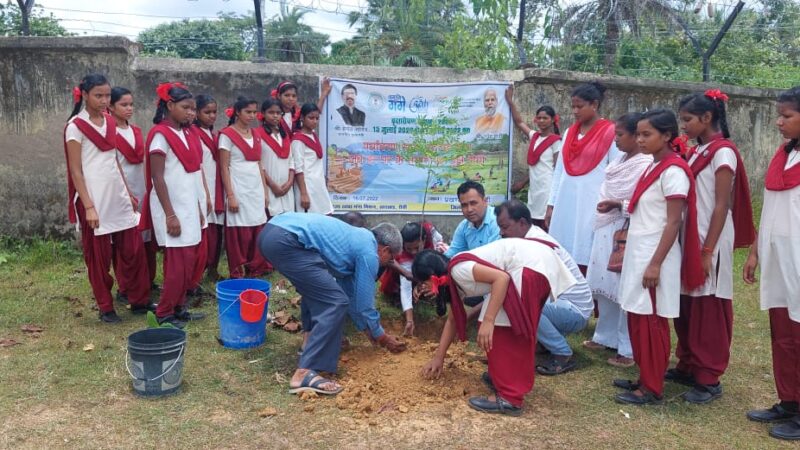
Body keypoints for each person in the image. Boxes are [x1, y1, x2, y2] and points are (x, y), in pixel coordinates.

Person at [414, 239, 576, 416]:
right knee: (497, 324)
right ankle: (502, 378)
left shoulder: (459, 270)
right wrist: (439, 358)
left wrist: (489, 321)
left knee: (500, 329)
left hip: (528, 268)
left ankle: (510, 397)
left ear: (432, 277)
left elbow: (502, 278)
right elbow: (453, 320)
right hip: (537, 264)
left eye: (423, 284)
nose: (423, 289)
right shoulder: (455, 278)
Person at [611, 109, 704, 406]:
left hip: (655, 255)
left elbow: (673, 223)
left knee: (651, 322)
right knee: (638, 317)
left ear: (667, 136)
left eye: (646, 134)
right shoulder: (653, 166)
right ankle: (644, 377)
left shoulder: (674, 171)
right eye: (637, 134)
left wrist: (655, 263)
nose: (639, 140)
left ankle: (652, 388)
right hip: (640, 251)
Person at [258, 214, 407, 396]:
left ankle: (308, 345)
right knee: (334, 303)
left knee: (319, 292)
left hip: (270, 231)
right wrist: (381, 336)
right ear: (385, 250)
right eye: (391, 259)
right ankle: (304, 373)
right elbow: (364, 304)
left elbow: (352, 297)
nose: (388, 264)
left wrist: (370, 331)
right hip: (287, 240)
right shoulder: (369, 252)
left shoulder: (356, 240)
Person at [672, 90, 755, 404]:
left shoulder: (723, 153)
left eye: (688, 119)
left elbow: (722, 205)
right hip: (689, 235)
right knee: (686, 303)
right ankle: (688, 363)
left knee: (708, 305)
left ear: (707, 118)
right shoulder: (696, 151)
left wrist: (707, 250)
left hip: (711, 237)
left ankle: (709, 377)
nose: (683, 126)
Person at [63, 74, 153, 323]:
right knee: (98, 257)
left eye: (106, 95)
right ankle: (105, 306)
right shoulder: (75, 127)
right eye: (98, 95)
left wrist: (127, 192)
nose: (104, 101)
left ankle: (138, 300)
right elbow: (75, 170)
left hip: (117, 195)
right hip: (93, 198)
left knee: (132, 251)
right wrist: (89, 206)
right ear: (85, 96)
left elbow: (114, 161)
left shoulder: (110, 123)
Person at [743, 86, 800, 441]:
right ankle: (790, 400)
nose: (779, 122)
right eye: (778, 115)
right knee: (783, 332)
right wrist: (754, 250)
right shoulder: (784, 154)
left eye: (787, 116)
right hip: (779, 258)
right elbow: (773, 209)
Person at [582, 113, 652, 368]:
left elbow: (645, 200)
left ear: (636, 136)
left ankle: (627, 347)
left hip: (626, 229)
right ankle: (605, 335)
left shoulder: (645, 164)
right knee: (606, 285)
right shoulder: (620, 161)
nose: (616, 140)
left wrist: (618, 204)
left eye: (620, 135)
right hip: (606, 227)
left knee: (624, 289)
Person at [494, 199, 593, 375]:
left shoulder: (536, 244)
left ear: (522, 223)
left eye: (505, 227)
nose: (502, 233)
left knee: (524, 303)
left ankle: (562, 353)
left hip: (575, 311)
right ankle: (544, 343)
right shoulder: (529, 238)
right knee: (518, 298)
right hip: (561, 305)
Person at [146, 82, 208, 327]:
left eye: (193, 109)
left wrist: (200, 208)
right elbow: (157, 177)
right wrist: (170, 215)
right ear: (170, 105)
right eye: (186, 108)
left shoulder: (189, 133)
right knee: (176, 265)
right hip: (171, 207)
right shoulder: (160, 135)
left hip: (189, 204)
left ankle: (180, 306)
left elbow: (194, 174)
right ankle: (164, 312)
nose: (191, 113)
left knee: (188, 262)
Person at [547, 81, 622, 273]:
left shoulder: (610, 132)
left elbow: (616, 172)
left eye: (579, 106)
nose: (574, 111)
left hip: (592, 201)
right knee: (562, 252)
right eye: (573, 106)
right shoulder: (569, 132)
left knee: (588, 251)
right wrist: (551, 204)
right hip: (566, 201)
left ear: (594, 105)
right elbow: (559, 171)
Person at [108, 86, 159, 301]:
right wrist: (125, 191)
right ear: (111, 106)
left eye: (131, 104)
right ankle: (126, 285)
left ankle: (146, 279)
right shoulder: (109, 132)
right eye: (123, 105)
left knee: (144, 237)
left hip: (141, 187)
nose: (129, 109)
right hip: (121, 189)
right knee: (126, 241)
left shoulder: (136, 130)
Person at [218, 96, 272, 279]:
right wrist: (230, 195)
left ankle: (255, 268)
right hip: (238, 187)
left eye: (254, 112)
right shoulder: (227, 135)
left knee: (257, 227)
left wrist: (265, 191)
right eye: (248, 112)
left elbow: (259, 164)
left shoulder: (256, 134)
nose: (252, 116)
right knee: (239, 231)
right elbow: (224, 166)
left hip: (255, 187)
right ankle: (238, 270)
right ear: (237, 112)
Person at [506, 87, 562, 230]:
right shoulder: (535, 137)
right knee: (533, 224)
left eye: (545, 118)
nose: (542, 121)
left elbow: (558, 169)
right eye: (539, 118)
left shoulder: (556, 141)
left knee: (545, 225)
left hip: (547, 188)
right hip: (535, 189)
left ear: (552, 120)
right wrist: (510, 102)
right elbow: (519, 122)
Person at [379, 221, 444, 336]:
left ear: (424, 239)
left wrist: (433, 283)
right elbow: (406, 287)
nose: (413, 252)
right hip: (405, 278)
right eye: (409, 249)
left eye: (416, 248)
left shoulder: (433, 237)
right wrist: (410, 320)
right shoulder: (403, 256)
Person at [189, 94, 225, 282]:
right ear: (196, 113)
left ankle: (212, 268)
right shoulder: (192, 133)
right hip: (202, 186)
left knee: (216, 231)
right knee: (204, 231)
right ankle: (198, 271)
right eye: (207, 112)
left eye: (214, 112)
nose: (212, 116)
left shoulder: (215, 134)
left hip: (216, 185)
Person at [256, 98, 295, 217]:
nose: (275, 116)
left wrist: (289, 182)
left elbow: (291, 161)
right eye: (271, 113)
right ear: (263, 113)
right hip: (269, 187)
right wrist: (272, 185)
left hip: (286, 189)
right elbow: (259, 164)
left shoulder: (285, 136)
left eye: (278, 113)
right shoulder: (257, 134)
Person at [292, 103, 334, 215]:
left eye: (317, 118)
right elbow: (298, 168)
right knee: (310, 220)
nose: (315, 121)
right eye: (311, 118)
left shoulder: (313, 135)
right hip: (307, 186)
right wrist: (304, 193)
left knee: (324, 216)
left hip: (318, 183)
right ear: (302, 118)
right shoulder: (298, 140)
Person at [443, 181, 500, 258]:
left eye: (473, 203)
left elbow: (493, 258)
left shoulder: (497, 221)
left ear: (485, 201)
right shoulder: (464, 226)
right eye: (464, 205)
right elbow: (451, 255)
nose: (469, 209)